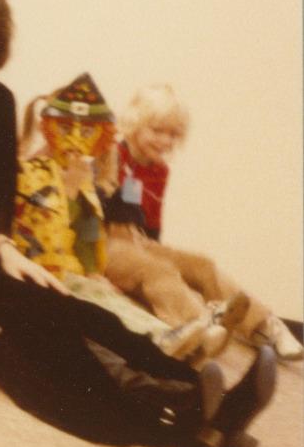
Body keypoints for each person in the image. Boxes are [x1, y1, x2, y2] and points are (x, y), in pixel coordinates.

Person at [0, 0, 275, 447]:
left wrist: (3, 246)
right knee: (30, 333)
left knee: (74, 306)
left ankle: (207, 402)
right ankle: (165, 420)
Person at [12, 75, 227, 362]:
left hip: (82, 261)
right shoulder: (35, 169)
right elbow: (37, 219)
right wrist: (73, 187)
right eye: (66, 129)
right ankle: (172, 336)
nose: (76, 140)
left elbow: (91, 224)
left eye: (86, 132)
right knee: (108, 304)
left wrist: (93, 269)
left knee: (118, 295)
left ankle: (189, 334)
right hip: (46, 262)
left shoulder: (98, 171)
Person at [99, 83, 302, 362]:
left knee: (202, 265)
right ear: (135, 124)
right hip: (106, 240)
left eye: (172, 135)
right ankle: (199, 323)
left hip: (139, 240)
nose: (165, 141)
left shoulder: (159, 169)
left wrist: (158, 251)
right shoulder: (113, 155)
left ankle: (264, 324)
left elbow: (153, 225)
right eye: (156, 131)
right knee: (159, 269)